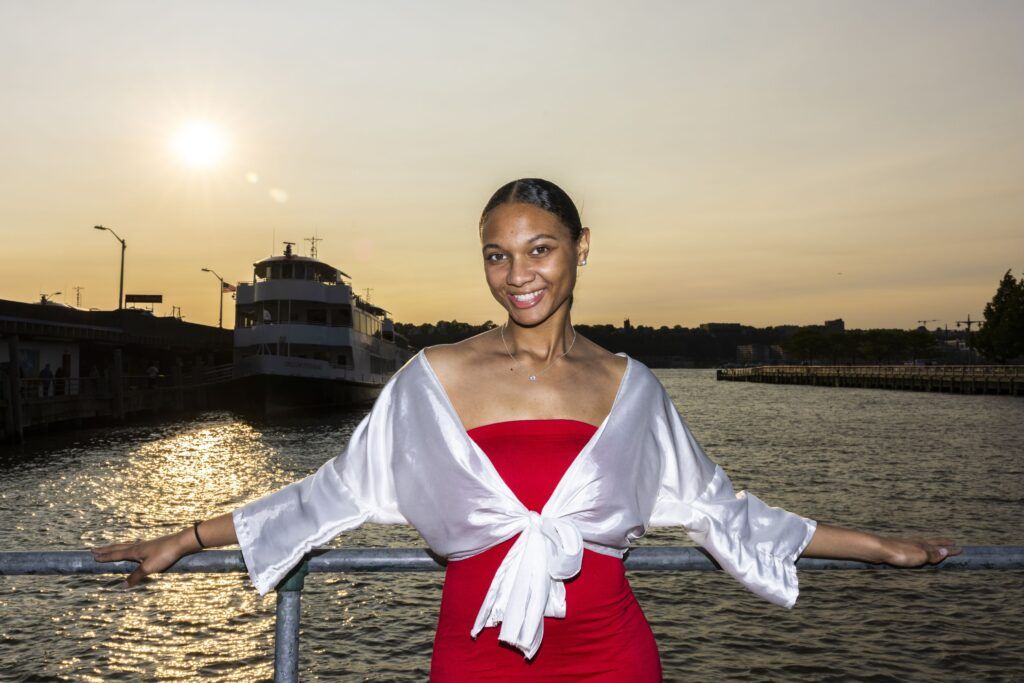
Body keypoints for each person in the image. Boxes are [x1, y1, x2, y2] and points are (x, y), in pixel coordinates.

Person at [91, 178, 960, 681]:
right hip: (474, 654)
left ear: (582, 247)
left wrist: (877, 546)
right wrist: (185, 534)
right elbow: (334, 493)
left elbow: (723, 512)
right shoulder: (433, 378)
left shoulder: (633, 386)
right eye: (497, 255)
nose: (518, 275)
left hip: (610, 652)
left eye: (539, 249)